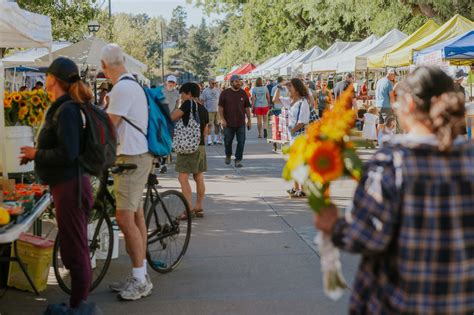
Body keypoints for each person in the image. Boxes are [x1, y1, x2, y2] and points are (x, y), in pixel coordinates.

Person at [314, 66, 473, 315]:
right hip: (459, 302)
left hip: (399, 300)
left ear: (408, 103)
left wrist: (333, 226)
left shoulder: (393, 161)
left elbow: (366, 236)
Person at [20, 57, 95, 312]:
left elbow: (68, 152)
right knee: (76, 247)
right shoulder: (66, 107)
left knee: (76, 251)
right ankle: (78, 303)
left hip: (70, 186)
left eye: (48, 76)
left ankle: (78, 306)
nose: (46, 80)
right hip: (68, 185)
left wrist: (35, 154)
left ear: (53, 79)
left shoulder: (67, 110)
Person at [101, 44, 154, 301]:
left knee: (124, 218)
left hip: (131, 157)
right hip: (138, 154)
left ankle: (140, 279)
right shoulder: (132, 84)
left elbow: (109, 129)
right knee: (135, 216)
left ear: (104, 66)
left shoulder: (121, 88)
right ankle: (140, 273)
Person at [171, 83, 209, 218]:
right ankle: (199, 206)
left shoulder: (188, 104)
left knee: (182, 177)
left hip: (188, 147)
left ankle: (188, 208)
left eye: (182, 93)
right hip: (201, 146)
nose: (181, 96)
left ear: (189, 94)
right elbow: (206, 130)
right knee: (199, 176)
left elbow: (173, 117)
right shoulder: (203, 109)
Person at [274, 78, 310, 198]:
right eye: (288, 87)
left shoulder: (303, 102)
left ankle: (301, 189)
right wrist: (279, 87)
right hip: (293, 136)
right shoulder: (291, 101)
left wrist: (292, 130)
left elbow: (303, 121)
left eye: (290, 87)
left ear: (297, 88)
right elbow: (275, 100)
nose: (288, 89)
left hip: (300, 136)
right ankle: (297, 188)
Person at [218, 74, 252, 168]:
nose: (239, 83)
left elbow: (247, 108)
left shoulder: (243, 93)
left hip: (240, 122)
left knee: (241, 141)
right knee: (228, 141)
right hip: (228, 123)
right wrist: (222, 119)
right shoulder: (225, 93)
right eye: (237, 81)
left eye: (240, 81)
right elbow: (220, 107)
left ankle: (238, 160)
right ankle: (228, 155)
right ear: (231, 82)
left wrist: (249, 120)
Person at [200, 78, 222, 145]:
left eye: (215, 83)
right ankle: (209, 140)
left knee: (217, 125)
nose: (214, 84)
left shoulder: (218, 90)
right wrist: (203, 110)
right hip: (209, 110)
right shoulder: (205, 91)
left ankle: (216, 139)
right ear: (209, 83)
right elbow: (202, 101)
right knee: (209, 125)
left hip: (217, 110)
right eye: (213, 83)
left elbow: (221, 100)